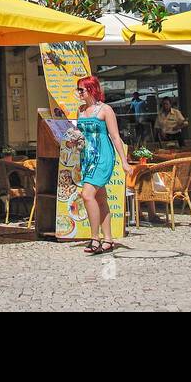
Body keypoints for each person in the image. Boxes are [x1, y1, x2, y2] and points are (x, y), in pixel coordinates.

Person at [74, 75, 131, 255]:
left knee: (87, 195)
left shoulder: (105, 110)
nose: (79, 93)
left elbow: (115, 136)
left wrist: (124, 161)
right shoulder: (80, 110)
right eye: (78, 89)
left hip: (103, 156)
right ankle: (108, 240)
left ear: (91, 89)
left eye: (81, 90)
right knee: (101, 199)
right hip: (87, 157)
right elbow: (80, 134)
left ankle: (94, 238)